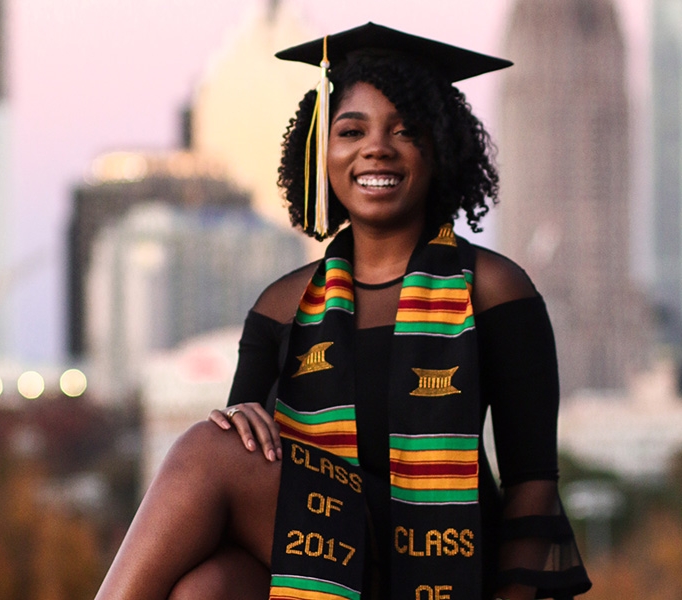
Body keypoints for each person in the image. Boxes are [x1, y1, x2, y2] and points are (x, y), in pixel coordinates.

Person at [95, 23, 591, 600]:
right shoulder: (283, 305)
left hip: (445, 560)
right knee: (207, 587)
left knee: (204, 451)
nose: (375, 147)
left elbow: (533, 483)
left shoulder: (494, 288)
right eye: (350, 130)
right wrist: (238, 422)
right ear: (321, 152)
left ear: (440, 150)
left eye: (405, 131)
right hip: (322, 555)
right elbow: (246, 452)